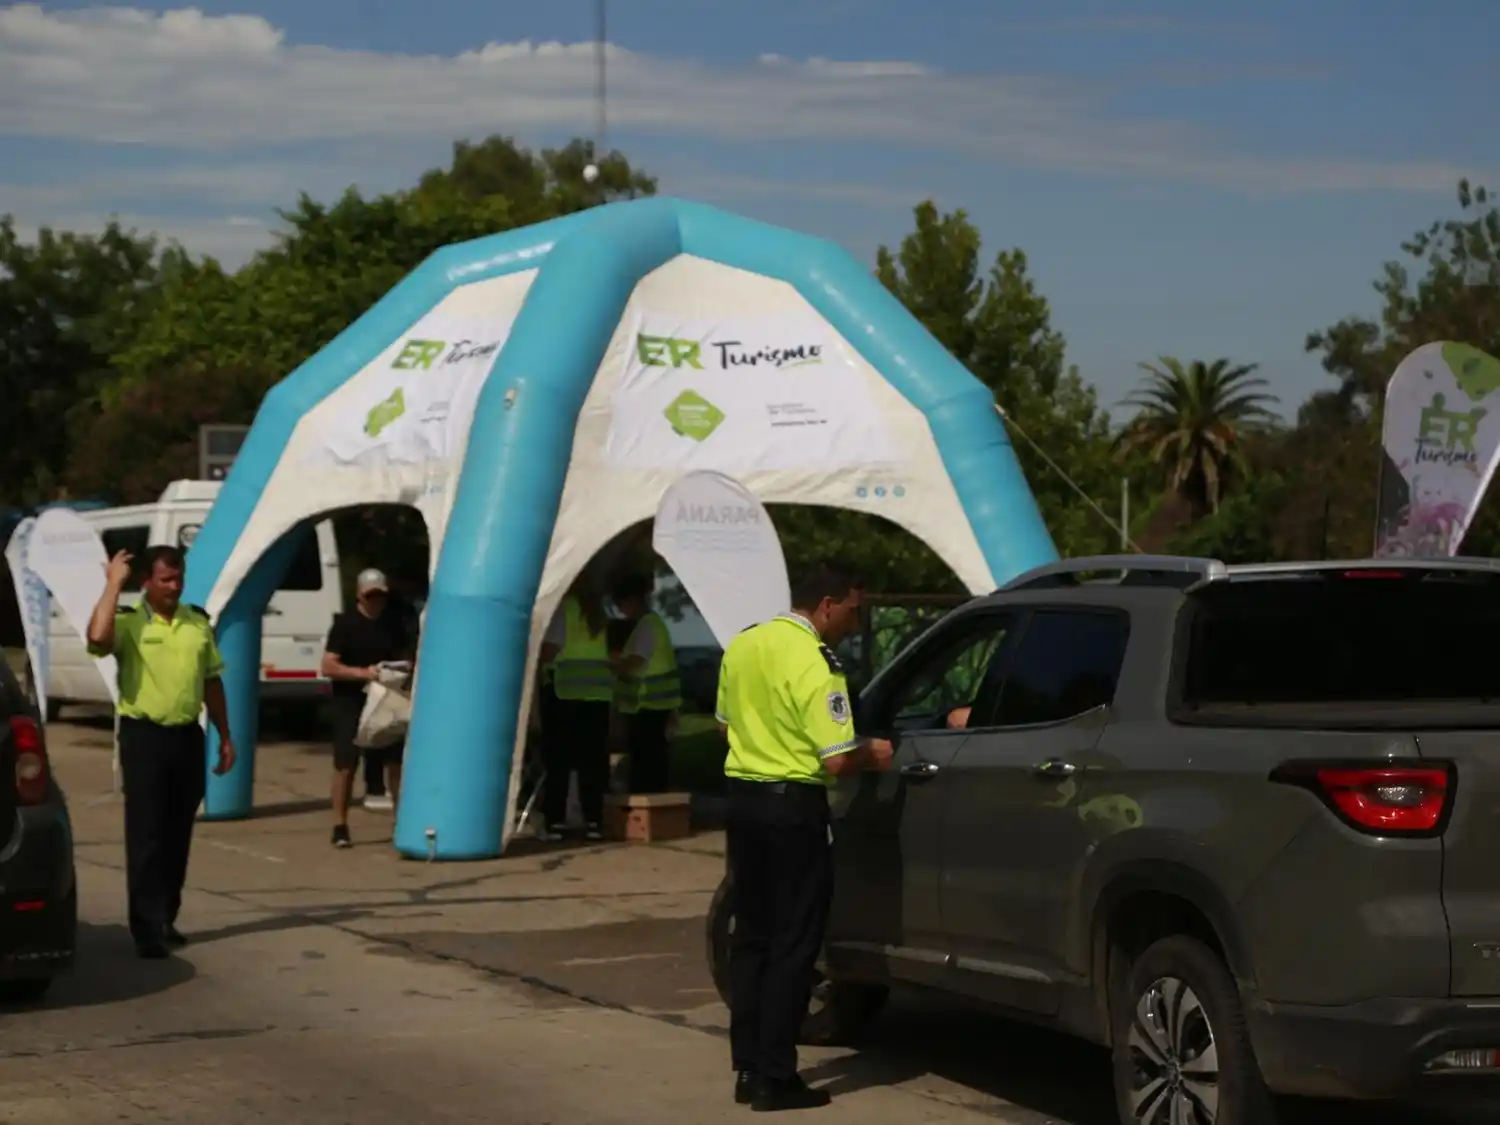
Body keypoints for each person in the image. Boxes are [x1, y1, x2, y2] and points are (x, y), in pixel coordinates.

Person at [716, 562, 894, 1112]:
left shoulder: (745, 644)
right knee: (795, 943)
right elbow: (838, 761)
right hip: (793, 808)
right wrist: (877, 753)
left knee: (751, 938)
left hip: (743, 803)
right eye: (853, 609)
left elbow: (725, 724)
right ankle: (776, 1076)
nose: (855, 621)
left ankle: (748, 1067)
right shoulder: (818, 663)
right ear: (825, 605)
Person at [85, 545, 235, 960]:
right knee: (147, 833)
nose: (174, 586)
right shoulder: (130, 622)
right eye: (165, 579)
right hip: (144, 737)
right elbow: (97, 638)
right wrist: (113, 585)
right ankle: (146, 928)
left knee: (177, 833)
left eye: (178, 578)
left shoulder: (196, 623)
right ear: (147, 582)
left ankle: (167, 915)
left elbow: (211, 681)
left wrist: (225, 735)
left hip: (187, 737)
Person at [320, 568, 414, 848]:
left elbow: (405, 657)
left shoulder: (394, 623)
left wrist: (401, 668)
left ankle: (402, 822)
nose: (376, 601)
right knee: (346, 764)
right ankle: (340, 824)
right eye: (371, 596)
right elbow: (328, 666)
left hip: (386, 699)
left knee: (395, 763)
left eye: (381, 596)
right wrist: (363, 673)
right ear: (359, 595)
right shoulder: (345, 624)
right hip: (352, 700)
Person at [537, 576, 612, 841]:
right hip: (598, 695)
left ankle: (555, 820)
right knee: (593, 761)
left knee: (558, 760)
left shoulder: (564, 610)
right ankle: (594, 820)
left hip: (564, 693)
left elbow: (550, 651)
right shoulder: (599, 614)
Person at [610, 571, 681, 794]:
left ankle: (648, 801)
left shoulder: (647, 626)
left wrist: (611, 665)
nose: (621, 611)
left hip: (648, 706)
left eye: (621, 605)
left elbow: (636, 661)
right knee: (651, 760)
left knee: (647, 762)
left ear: (631, 601)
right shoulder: (650, 625)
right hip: (653, 706)